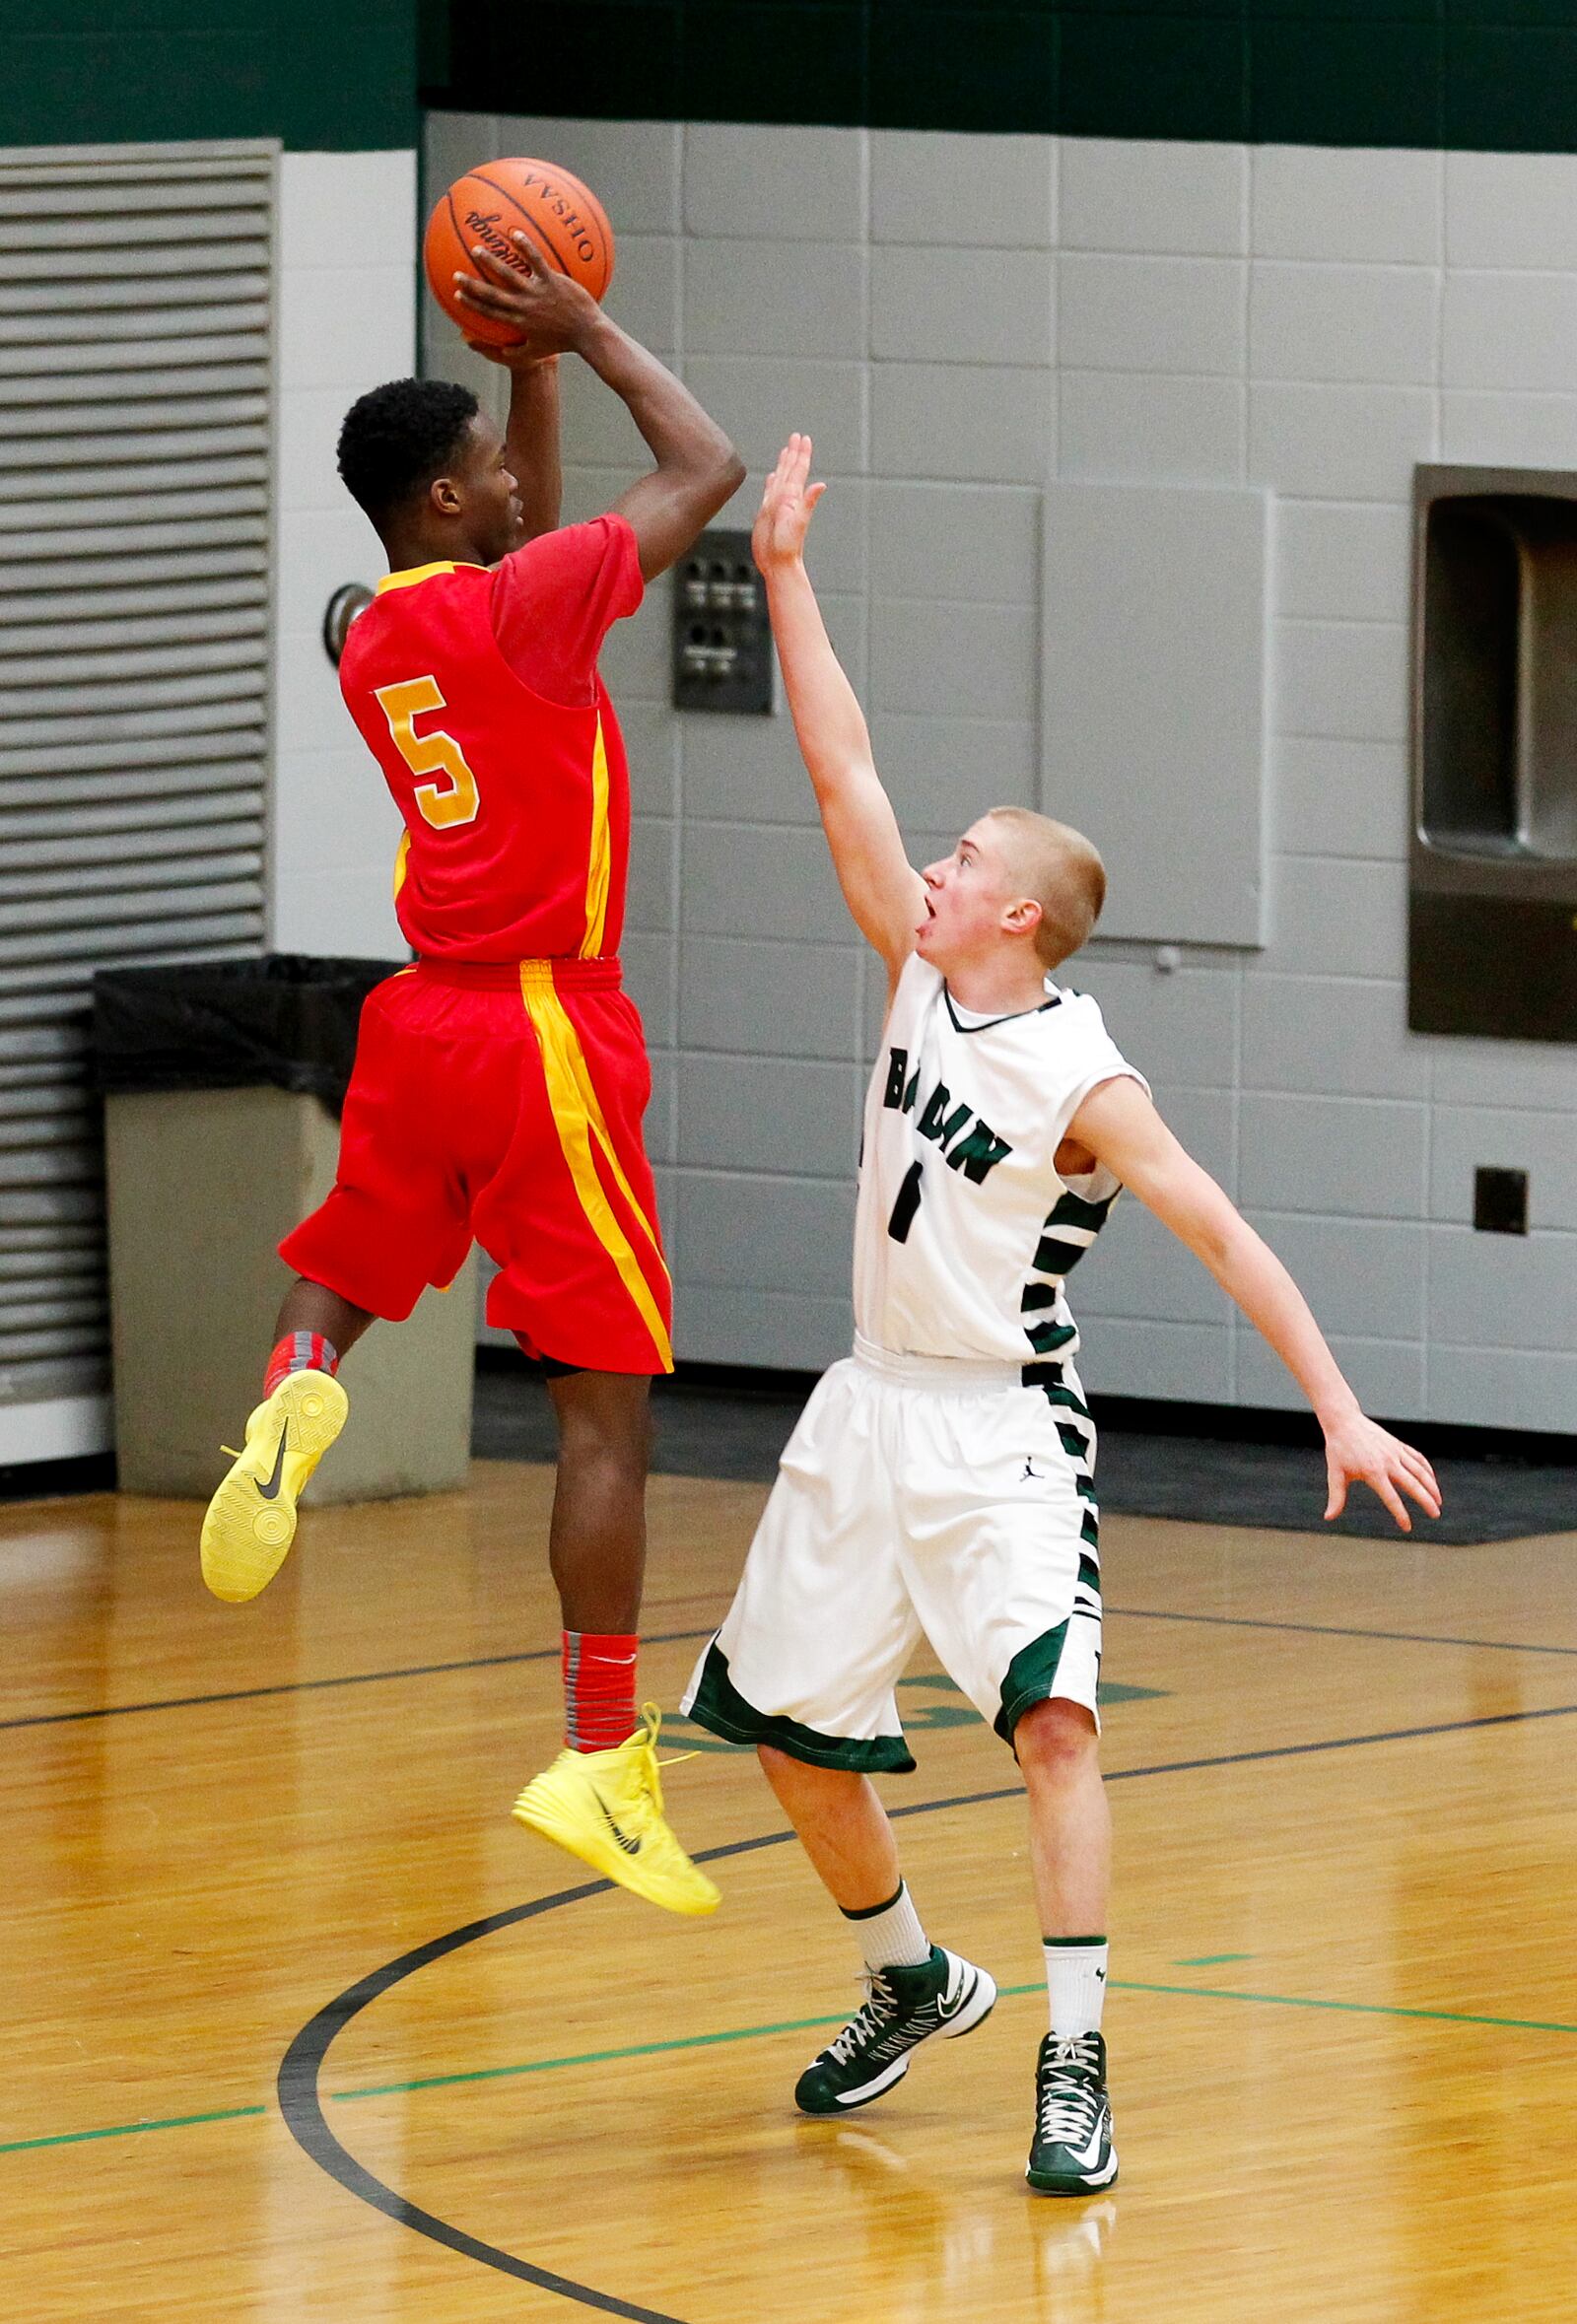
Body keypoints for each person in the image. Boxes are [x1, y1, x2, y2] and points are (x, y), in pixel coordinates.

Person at [682, 436, 1442, 2188]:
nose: (926, 868)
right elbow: (839, 764)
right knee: (788, 1738)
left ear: (1017, 912)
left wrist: (1334, 1404)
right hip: (864, 1407)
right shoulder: (913, 974)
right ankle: (910, 1979)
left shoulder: (1084, 1076)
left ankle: (1076, 2058)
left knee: (1054, 1724)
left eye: (958, 861)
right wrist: (785, 575)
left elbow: (1228, 1234)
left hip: (1002, 1427)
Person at [200, 232, 744, 1918]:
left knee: (355, 1256)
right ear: (449, 500)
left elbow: (547, 529)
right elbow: (703, 466)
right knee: (605, 1409)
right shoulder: (526, 611)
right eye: (495, 472)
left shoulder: (376, 635)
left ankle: (299, 1380)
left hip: (417, 1021)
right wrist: (586, 324)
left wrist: (528, 375)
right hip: (540, 1033)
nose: (519, 484)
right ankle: (599, 1755)